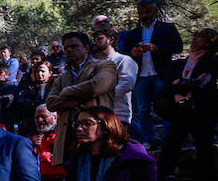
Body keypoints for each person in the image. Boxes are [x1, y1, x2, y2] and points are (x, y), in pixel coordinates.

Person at [157, 28, 218, 181]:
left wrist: (179, 82)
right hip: (181, 107)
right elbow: (168, 86)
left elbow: (203, 84)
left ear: (210, 42)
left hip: (203, 109)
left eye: (200, 37)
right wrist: (181, 88)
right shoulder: (180, 63)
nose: (195, 39)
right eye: (195, 36)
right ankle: (164, 177)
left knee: (204, 144)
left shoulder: (213, 60)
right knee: (170, 143)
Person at [45, 31, 118, 166]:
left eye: (74, 46)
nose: (69, 50)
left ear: (87, 48)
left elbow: (98, 85)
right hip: (68, 136)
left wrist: (66, 91)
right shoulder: (62, 77)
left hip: (98, 133)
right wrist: (76, 102)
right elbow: (51, 103)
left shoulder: (104, 65)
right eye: (66, 48)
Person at [121, 0, 182, 146]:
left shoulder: (167, 28)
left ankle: (170, 138)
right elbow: (125, 53)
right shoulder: (132, 34)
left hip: (162, 74)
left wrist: (157, 48)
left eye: (147, 12)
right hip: (141, 76)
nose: (144, 16)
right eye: (141, 13)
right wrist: (133, 53)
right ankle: (149, 139)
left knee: (166, 106)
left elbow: (178, 46)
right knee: (142, 110)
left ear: (155, 10)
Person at [90, 24, 139, 136]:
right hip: (95, 116)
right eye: (93, 39)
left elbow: (126, 84)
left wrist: (101, 98)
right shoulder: (92, 64)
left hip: (118, 116)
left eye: (99, 39)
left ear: (111, 40)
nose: (94, 42)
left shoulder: (124, 60)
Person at [13, 60, 55, 136]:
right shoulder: (30, 90)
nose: (39, 74)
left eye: (43, 71)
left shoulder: (56, 89)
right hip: (33, 129)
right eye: (37, 71)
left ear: (50, 73)